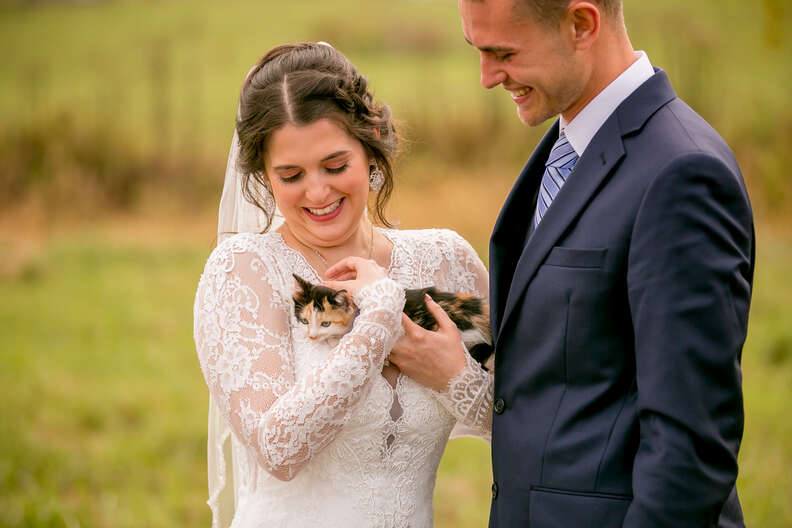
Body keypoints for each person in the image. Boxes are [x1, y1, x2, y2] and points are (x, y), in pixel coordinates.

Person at [390, 0, 754, 526]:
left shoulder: (683, 174)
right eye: (478, 51)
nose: (487, 78)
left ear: (582, 23)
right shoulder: (571, 143)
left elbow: (689, 448)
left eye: (503, 52)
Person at [192, 42, 494, 528]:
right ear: (264, 177)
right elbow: (279, 449)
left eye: (335, 166)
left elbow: (528, 421)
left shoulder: (446, 259)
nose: (317, 192)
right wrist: (378, 314)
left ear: (371, 145)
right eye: (290, 175)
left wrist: (454, 378)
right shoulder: (244, 271)